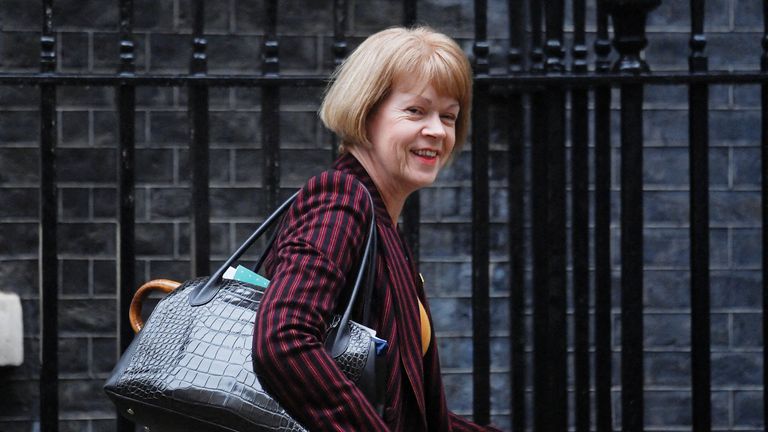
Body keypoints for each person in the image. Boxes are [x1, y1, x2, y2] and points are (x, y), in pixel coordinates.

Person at [252, 26, 501, 431]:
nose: (437, 131)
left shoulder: (380, 225)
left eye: (449, 116)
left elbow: (412, 414)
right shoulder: (341, 200)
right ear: (365, 114)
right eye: (416, 111)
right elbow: (283, 341)